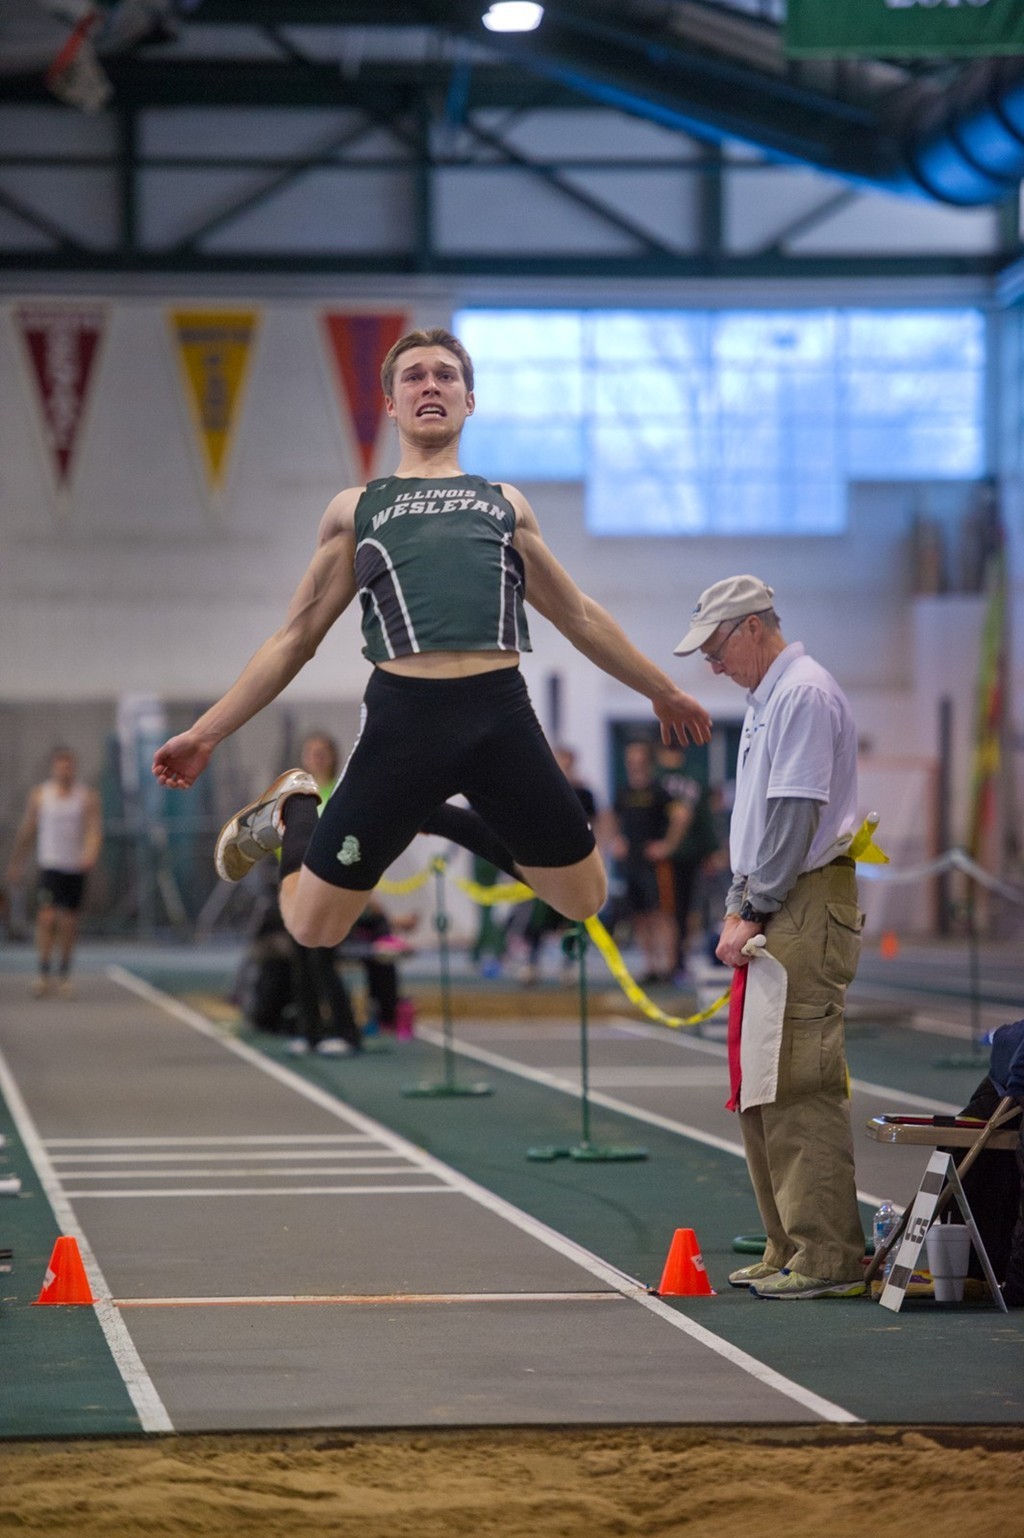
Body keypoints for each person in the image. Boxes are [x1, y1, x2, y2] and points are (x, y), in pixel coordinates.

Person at [151, 327, 711, 953]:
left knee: (583, 898)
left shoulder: (504, 503)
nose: (430, 386)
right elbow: (294, 639)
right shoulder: (357, 508)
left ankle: (433, 814)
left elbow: (578, 615)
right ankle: (295, 808)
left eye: (446, 375)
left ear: (469, 400)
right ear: (391, 405)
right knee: (312, 928)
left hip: (499, 714)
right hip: (404, 722)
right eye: (413, 377)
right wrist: (206, 733)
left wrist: (661, 691)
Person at [675, 574, 866, 1300]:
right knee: (761, 1081)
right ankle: (787, 1242)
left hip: (801, 900)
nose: (711, 664)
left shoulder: (803, 693)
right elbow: (757, 824)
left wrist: (752, 908)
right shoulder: (767, 700)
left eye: (716, 648)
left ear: (753, 627)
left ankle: (828, 1255)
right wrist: (740, 901)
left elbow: (793, 814)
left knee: (796, 1080)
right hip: (776, 896)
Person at [6, 746, 103, 998]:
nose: (64, 771)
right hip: (50, 866)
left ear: (73, 769)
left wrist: (90, 853)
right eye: (60, 767)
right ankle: (43, 972)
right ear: (53, 768)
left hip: (74, 867)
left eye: (68, 767)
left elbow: (93, 829)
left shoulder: (86, 796)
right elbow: (28, 830)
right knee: (47, 918)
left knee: (68, 922)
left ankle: (64, 973)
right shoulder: (41, 795)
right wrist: (17, 862)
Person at [607, 739, 690, 986]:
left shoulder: (659, 791)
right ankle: (650, 966)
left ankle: (668, 965)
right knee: (640, 916)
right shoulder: (623, 792)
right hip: (632, 863)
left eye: (639, 760)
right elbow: (610, 817)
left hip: (655, 865)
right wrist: (616, 840)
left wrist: (667, 845)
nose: (634, 765)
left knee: (662, 914)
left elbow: (682, 816)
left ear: (648, 762)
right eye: (630, 761)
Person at [653, 741, 720, 981]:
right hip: (682, 852)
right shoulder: (693, 776)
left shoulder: (657, 776)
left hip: (670, 853)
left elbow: (701, 816)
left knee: (674, 911)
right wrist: (711, 850)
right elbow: (704, 817)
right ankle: (674, 960)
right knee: (680, 911)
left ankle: (674, 960)